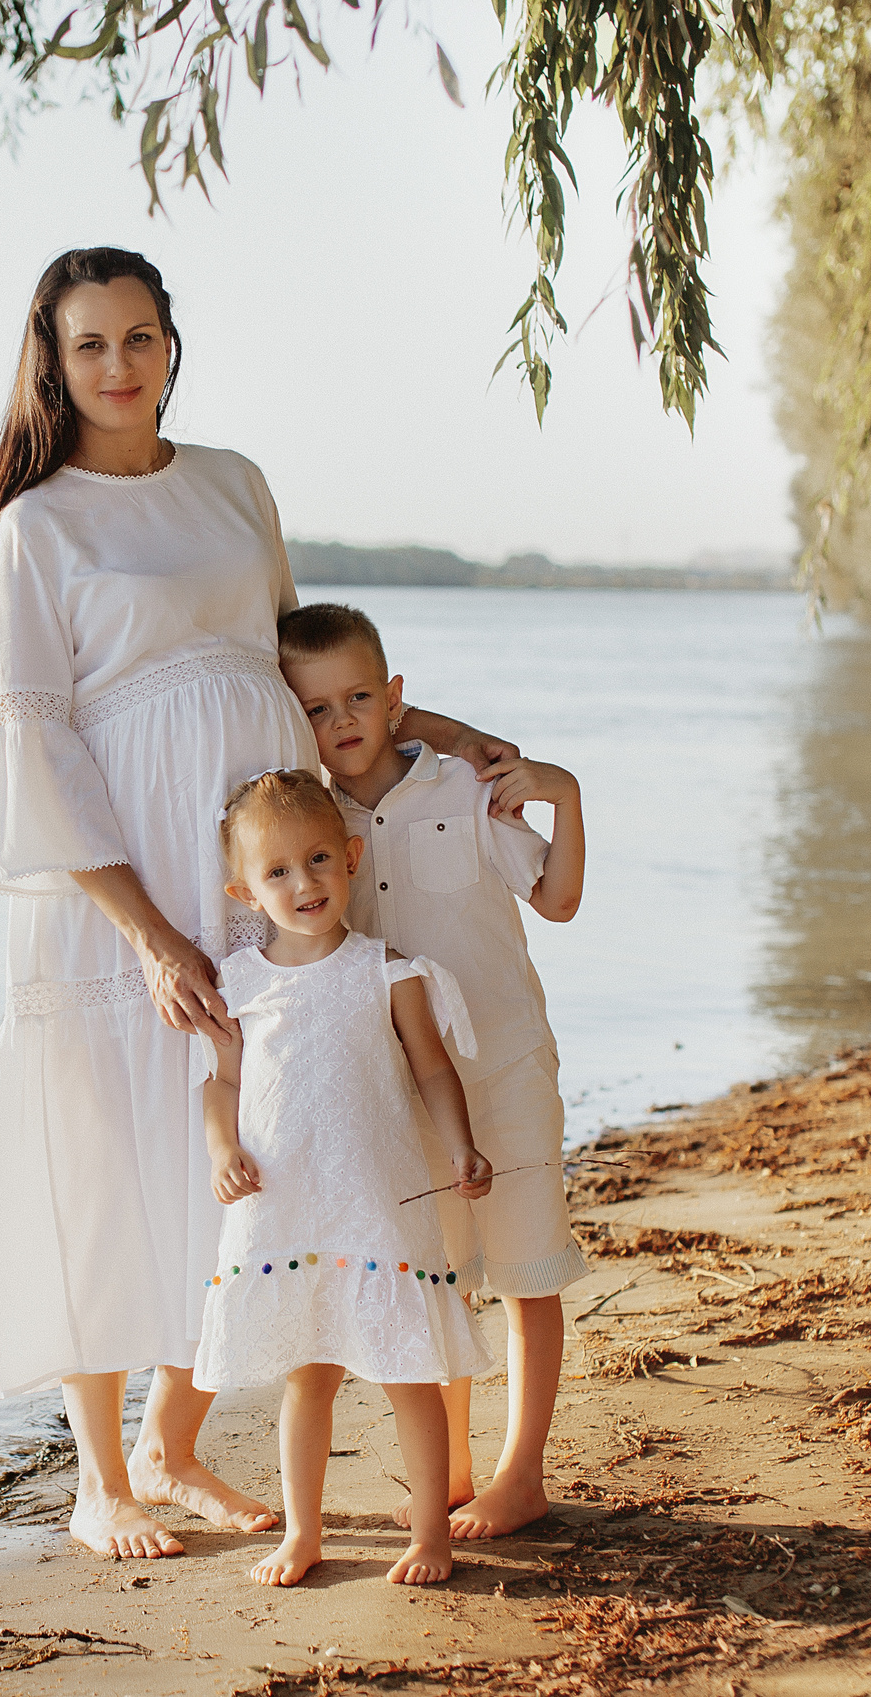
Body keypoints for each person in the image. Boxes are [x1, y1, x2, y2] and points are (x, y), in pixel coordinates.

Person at [0, 248, 516, 1560]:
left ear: (169, 343)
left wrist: (434, 744)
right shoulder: (39, 525)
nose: (119, 366)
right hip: (122, 869)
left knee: (251, 1136)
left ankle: (174, 1435)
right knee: (108, 1147)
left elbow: (304, 667)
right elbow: (33, 743)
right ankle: (105, 1476)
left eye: (140, 336)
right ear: (55, 362)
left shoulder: (233, 483)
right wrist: (146, 928)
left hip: (263, 860)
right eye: (90, 345)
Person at [275, 601, 590, 1542]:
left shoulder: (462, 788)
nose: (344, 721)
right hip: (400, 1094)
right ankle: (447, 1468)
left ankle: (521, 1470)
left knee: (527, 1268)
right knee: (436, 1279)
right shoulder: (314, 824)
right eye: (319, 707)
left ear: (397, 698)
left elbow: (560, 899)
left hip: (505, 1066)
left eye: (361, 697)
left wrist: (563, 790)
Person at [192, 769, 494, 1586]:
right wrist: (222, 1150)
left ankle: (431, 1531)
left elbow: (432, 1070)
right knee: (308, 1376)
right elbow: (219, 1083)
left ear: (352, 857)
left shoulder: (384, 968)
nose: (305, 882)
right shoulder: (242, 982)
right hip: (286, 1205)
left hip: (376, 1206)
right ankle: (304, 1530)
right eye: (279, 871)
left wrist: (462, 1145)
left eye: (320, 858)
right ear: (244, 891)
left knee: (408, 1373)